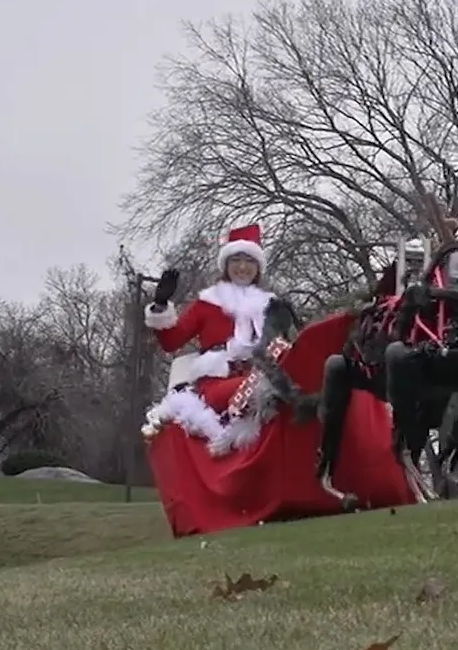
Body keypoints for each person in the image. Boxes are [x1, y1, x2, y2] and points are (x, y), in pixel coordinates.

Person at [141, 223, 416, 538]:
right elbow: (171, 341)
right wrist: (161, 307)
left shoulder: (273, 305)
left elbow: (293, 345)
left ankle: (341, 476)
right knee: (265, 390)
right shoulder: (208, 303)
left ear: (258, 267)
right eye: (236, 260)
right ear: (226, 265)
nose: (242, 267)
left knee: (309, 380)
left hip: (268, 371)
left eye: (248, 261)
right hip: (220, 380)